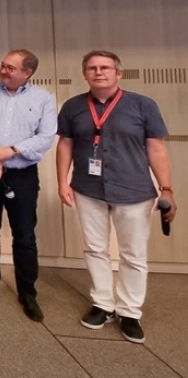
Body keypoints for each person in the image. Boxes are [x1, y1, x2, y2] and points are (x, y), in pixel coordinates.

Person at [56, 50, 177, 344]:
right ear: (85, 74)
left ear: (118, 73)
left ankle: (130, 310)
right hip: (87, 189)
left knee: (133, 253)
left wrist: (167, 189)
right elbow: (65, 146)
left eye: (105, 68)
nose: (99, 72)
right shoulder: (73, 107)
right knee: (95, 249)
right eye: (92, 68)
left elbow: (156, 149)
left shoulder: (143, 105)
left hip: (133, 191)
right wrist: (62, 182)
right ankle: (103, 304)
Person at [0, 49, 57, 322]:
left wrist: (10, 151)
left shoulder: (44, 99)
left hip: (22, 174)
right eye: (2, 65)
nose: (4, 71)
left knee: (25, 235)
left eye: (11, 68)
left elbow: (46, 136)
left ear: (27, 73)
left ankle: (27, 292)